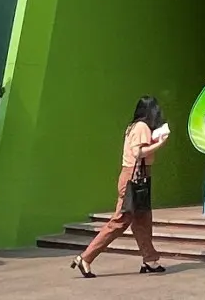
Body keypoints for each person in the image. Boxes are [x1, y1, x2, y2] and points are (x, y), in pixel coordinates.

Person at [72, 95, 170, 278]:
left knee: (143, 219)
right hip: (134, 178)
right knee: (120, 220)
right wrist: (161, 144)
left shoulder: (135, 126)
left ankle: (150, 259)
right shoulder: (141, 127)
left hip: (137, 176)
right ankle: (85, 258)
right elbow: (138, 152)